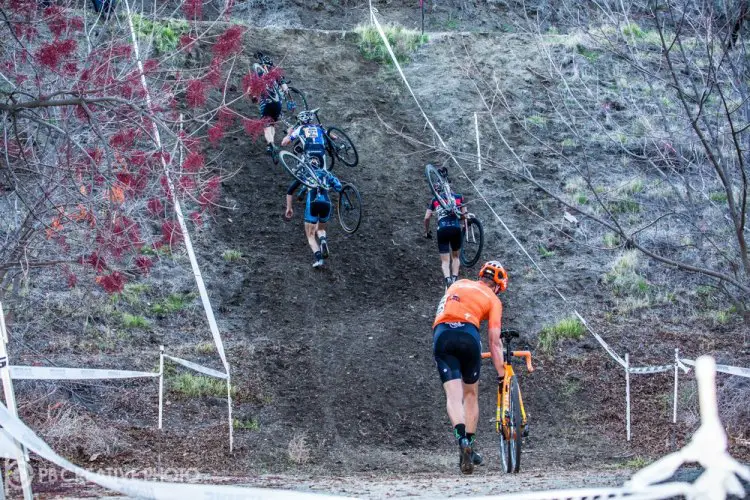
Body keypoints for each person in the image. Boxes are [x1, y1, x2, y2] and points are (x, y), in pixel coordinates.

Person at [432, 261, 508, 474]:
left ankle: (461, 440)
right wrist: (502, 375)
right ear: (498, 286)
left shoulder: (457, 284)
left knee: (453, 397)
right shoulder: (493, 299)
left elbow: (440, 311)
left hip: (442, 334)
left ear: (481, 276)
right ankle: (471, 445)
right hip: (468, 335)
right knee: (470, 395)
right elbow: (494, 341)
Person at [284, 168, 343, 268]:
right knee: (321, 229)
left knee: (310, 236)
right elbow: (339, 187)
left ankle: (319, 259)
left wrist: (289, 208)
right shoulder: (326, 173)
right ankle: (323, 240)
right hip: (326, 203)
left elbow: (290, 191)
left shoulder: (305, 173)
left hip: (313, 203)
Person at [424, 166, 466, 289]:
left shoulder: (435, 200)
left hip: (442, 230)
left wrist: (427, 232)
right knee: (456, 257)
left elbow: (426, 218)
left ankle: (447, 280)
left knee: (445, 261)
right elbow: (464, 216)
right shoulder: (459, 197)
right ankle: (454, 278)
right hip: (456, 228)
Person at [252, 54, 289, 164]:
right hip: (278, 104)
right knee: (272, 124)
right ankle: (270, 145)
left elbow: (253, 94)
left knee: (266, 126)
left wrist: (254, 97)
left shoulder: (257, 74)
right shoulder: (276, 75)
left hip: (266, 103)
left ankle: (270, 144)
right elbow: (285, 89)